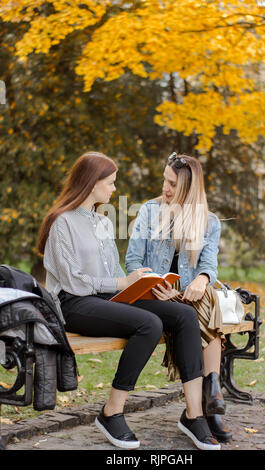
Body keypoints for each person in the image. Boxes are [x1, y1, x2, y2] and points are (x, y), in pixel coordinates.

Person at [37, 151, 221, 451]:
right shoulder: (62, 222)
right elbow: (73, 282)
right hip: (72, 304)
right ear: (91, 183)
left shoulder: (103, 222)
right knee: (149, 323)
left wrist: (135, 284)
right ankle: (112, 412)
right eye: (109, 183)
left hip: (107, 298)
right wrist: (121, 283)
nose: (113, 189)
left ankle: (194, 414)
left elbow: (113, 272)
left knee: (182, 316)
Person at [125, 152, 232, 443]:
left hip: (187, 297)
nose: (165, 188)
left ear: (188, 188)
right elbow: (133, 261)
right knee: (204, 308)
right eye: (164, 180)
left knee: (207, 295)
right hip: (155, 294)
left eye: (172, 183)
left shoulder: (208, 221)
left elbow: (209, 264)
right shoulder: (149, 211)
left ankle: (207, 398)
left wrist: (200, 279)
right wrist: (155, 283)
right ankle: (209, 399)